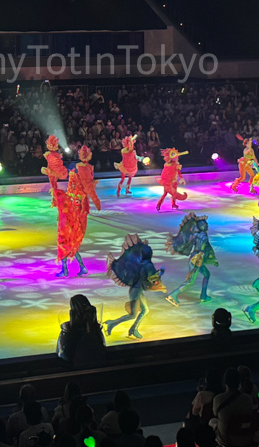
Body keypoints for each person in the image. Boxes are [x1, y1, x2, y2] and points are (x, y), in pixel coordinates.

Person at [105, 234, 166, 339]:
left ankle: (133, 329)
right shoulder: (148, 265)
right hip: (136, 291)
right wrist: (161, 273)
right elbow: (153, 280)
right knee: (132, 314)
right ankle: (113, 323)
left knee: (145, 310)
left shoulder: (142, 263)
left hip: (137, 290)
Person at [53, 147, 101, 278]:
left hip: (73, 212)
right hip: (73, 210)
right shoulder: (84, 172)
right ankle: (81, 267)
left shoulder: (78, 173)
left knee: (65, 241)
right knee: (70, 243)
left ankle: (66, 270)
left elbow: (78, 194)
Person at [166, 212, 218, 306]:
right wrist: (198, 263)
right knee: (190, 281)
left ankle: (203, 296)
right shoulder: (203, 236)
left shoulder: (197, 234)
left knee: (207, 274)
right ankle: (173, 295)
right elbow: (201, 251)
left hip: (195, 257)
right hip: (197, 259)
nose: (207, 225)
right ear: (202, 226)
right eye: (205, 224)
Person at [57, 294, 105, 366]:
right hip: (97, 364)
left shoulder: (69, 330)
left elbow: (63, 352)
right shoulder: (94, 327)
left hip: (75, 366)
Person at [211, 367, 252, 447]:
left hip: (226, 439)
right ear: (239, 382)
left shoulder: (218, 399)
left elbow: (215, 413)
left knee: (212, 421)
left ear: (225, 382)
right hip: (245, 438)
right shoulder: (248, 399)